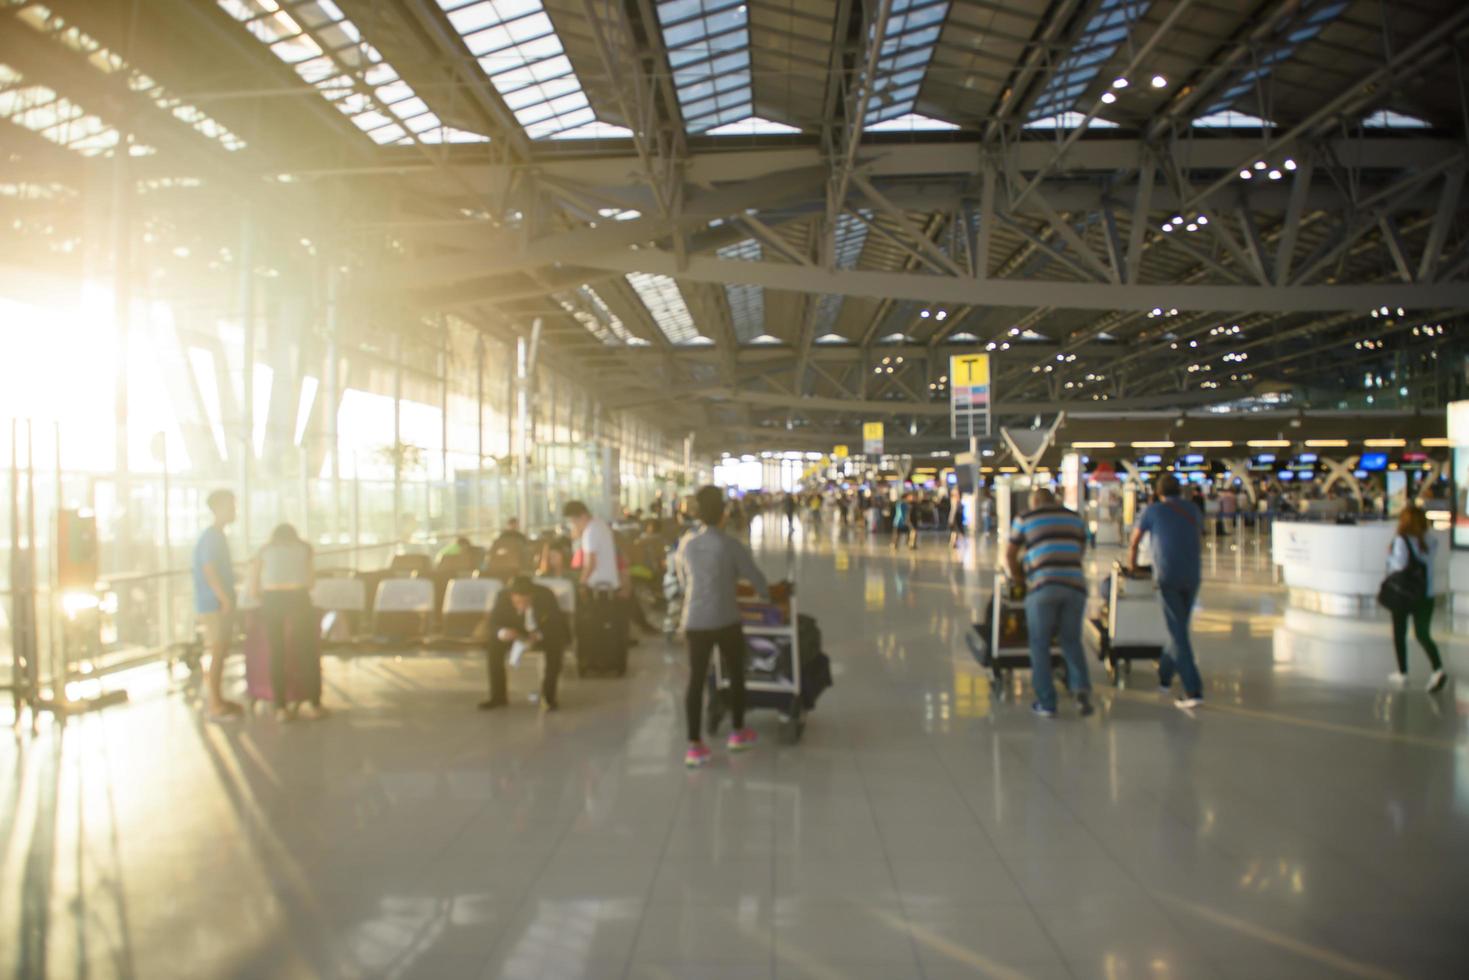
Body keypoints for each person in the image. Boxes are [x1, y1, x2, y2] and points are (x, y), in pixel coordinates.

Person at [676, 485, 770, 768]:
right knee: (736, 673)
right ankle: (738, 733)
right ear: (724, 514)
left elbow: (683, 582)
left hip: (694, 620)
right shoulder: (730, 545)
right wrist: (766, 596)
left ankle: (694, 746)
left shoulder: (687, 544)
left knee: (696, 680)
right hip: (726, 619)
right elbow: (757, 579)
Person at [1006, 487, 1093, 718]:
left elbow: (1010, 553)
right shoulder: (1075, 518)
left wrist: (1019, 578)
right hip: (1075, 586)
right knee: (1071, 641)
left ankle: (1047, 702)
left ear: (1034, 502)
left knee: (1040, 643)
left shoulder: (1025, 518)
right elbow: (1081, 549)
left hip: (1043, 586)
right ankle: (1081, 691)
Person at [1129, 474, 1206, 709]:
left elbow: (1134, 541)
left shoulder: (1152, 511)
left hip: (1167, 575)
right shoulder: (1193, 509)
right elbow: (1197, 537)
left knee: (1179, 632)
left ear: (1157, 492)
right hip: (1192, 574)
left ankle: (1193, 689)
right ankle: (1164, 677)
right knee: (1179, 627)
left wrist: (1132, 565)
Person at [250, 523, 324, 721]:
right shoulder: (305, 549)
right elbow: (311, 583)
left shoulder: (264, 550)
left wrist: (264, 596)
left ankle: (280, 708)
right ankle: (315, 705)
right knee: (308, 652)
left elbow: (253, 589)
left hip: (272, 599)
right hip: (298, 598)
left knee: (277, 653)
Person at [480, 576, 571, 711]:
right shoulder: (502, 597)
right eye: (517, 601)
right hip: (516, 634)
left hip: (542, 633)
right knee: (493, 646)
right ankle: (498, 696)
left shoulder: (546, 596)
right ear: (511, 596)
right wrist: (503, 632)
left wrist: (539, 635)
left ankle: (549, 697)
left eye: (525, 601)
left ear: (532, 596)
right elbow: (493, 623)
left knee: (555, 646)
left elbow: (556, 624)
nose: (521, 605)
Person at [1386, 504, 1449, 693]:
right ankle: (1437, 669)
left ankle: (1402, 671)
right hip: (1425, 594)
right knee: (1423, 633)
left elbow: (1398, 566)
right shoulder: (1430, 540)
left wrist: (1389, 557)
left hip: (1403, 594)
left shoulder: (1401, 541)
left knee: (1399, 631)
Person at [192, 489, 242, 720]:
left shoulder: (218, 536)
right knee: (217, 650)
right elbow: (209, 568)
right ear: (219, 508)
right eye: (231, 506)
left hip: (217, 601)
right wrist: (223, 598)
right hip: (213, 605)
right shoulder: (211, 537)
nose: (234, 510)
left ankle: (218, 698)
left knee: (220, 652)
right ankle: (214, 704)